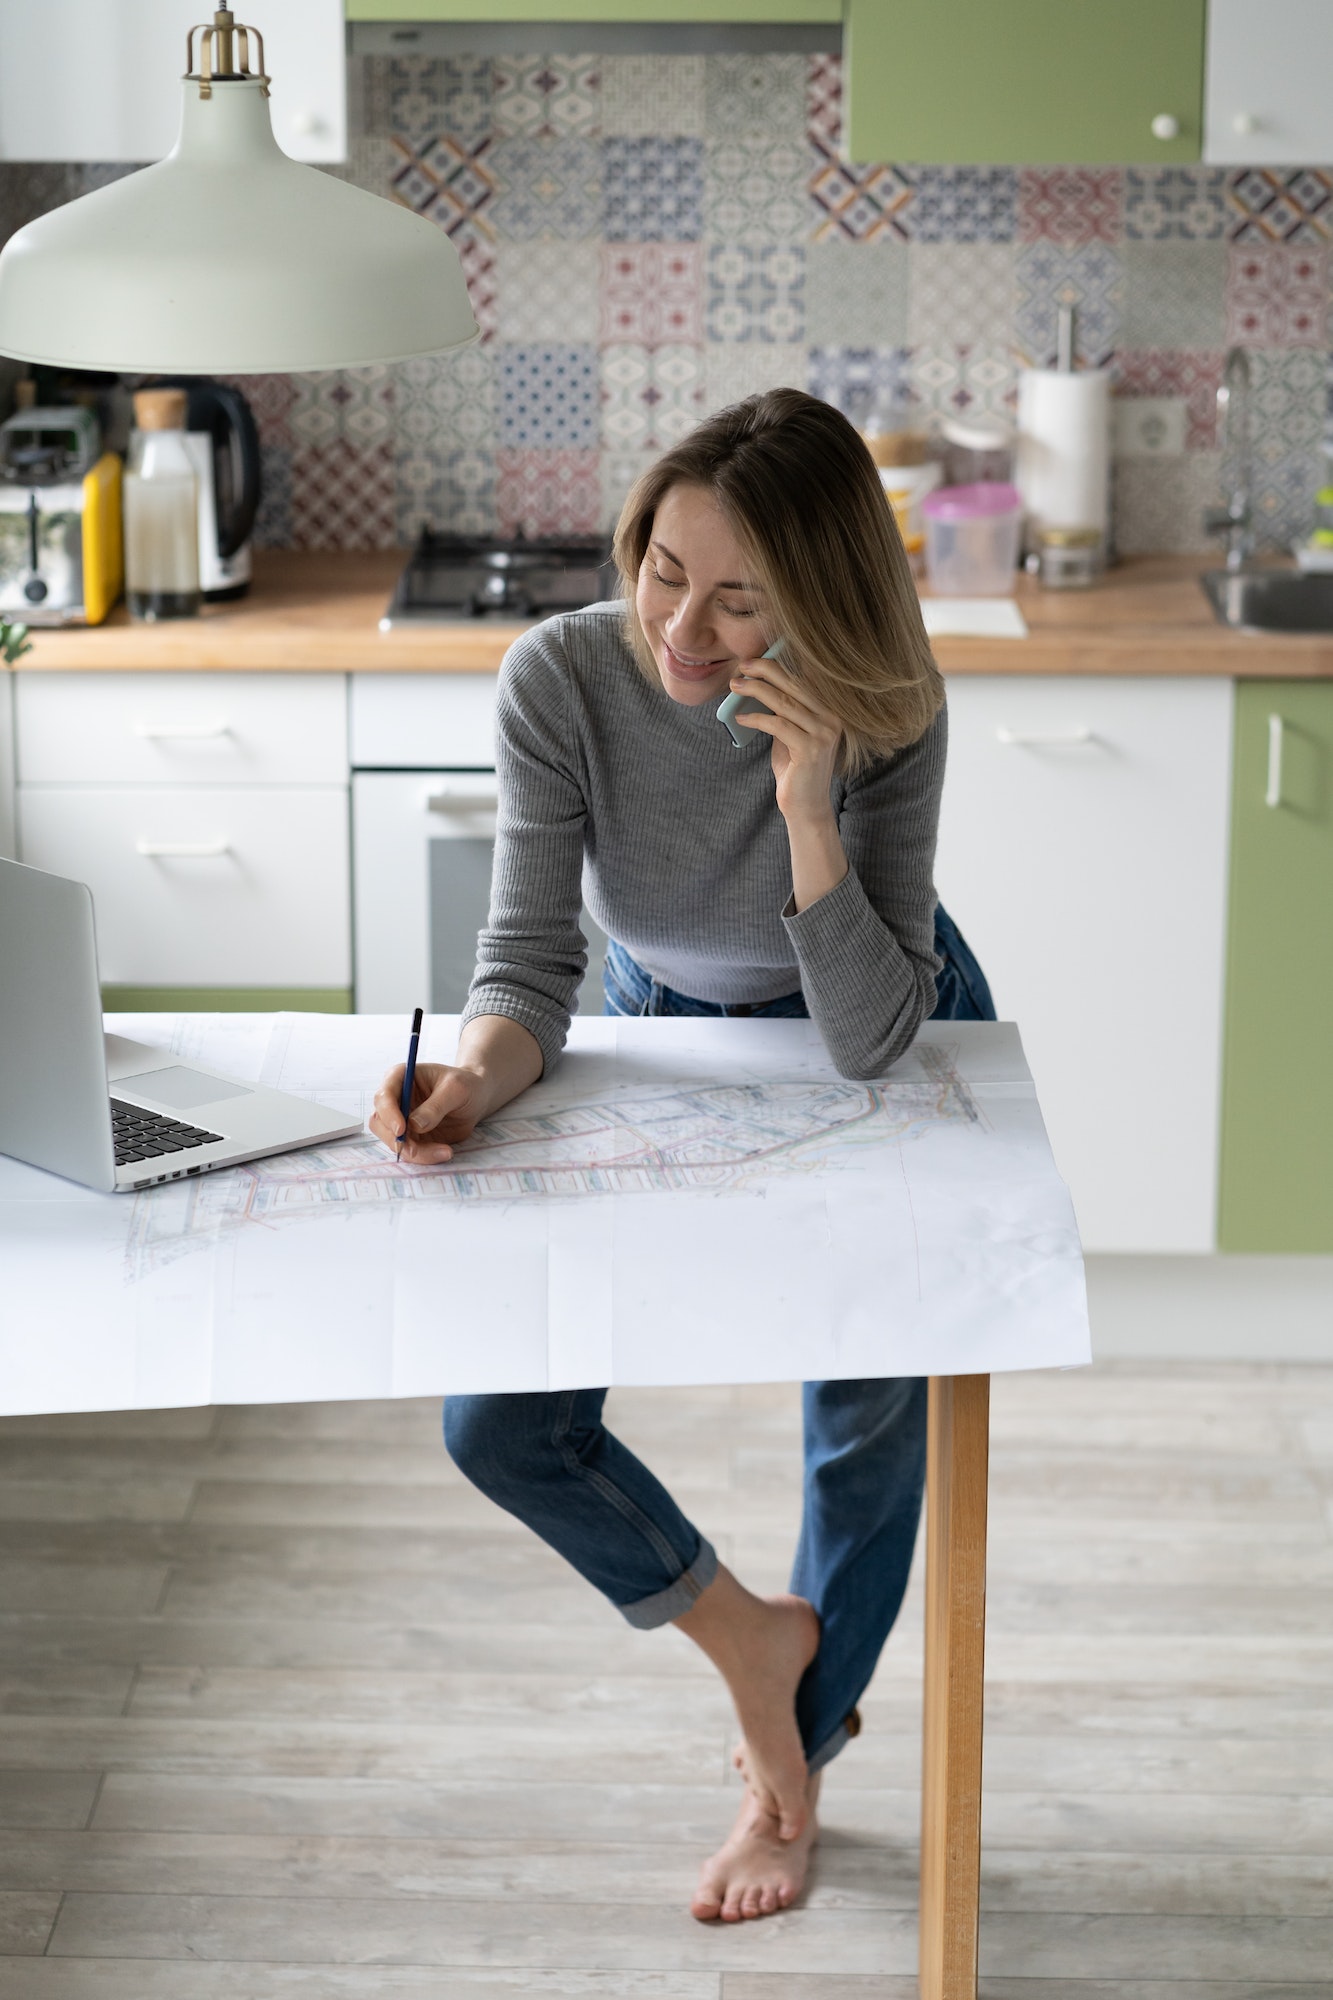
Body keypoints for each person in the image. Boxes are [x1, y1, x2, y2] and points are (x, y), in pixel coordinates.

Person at [370, 389, 995, 1924]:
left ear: (819, 601)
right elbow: (525, 963)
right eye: (661, 569)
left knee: (862, 1428)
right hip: (656, 1017)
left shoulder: (890, 700)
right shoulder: (560, 676)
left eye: (736, 600)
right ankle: (750, 1642)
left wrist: (804, 795)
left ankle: (795, 1777)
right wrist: (474, 1077)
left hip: (869, 1002)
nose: (681, 630)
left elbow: (865, 1035)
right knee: (500, 1422)